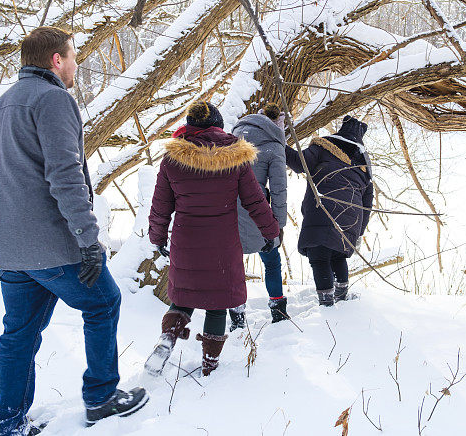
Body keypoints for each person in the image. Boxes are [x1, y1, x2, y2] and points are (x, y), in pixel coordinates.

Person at [0, 27, 147, 436]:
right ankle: (102, 397)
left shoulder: (4, 103)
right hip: (49, 243)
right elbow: (65, 175)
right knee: (104, 301)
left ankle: (8, 423)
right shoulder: (53, 98)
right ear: (57, 59)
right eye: (73, 56)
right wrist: (88, 239)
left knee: (19, 334)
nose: (76, 65)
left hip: (7, 242)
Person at [145, 101, 279, 377]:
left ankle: (166, 339)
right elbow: (255, 201)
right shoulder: (236, 157)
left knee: (183, 297)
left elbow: (160, 205)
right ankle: (210, 364)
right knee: (218, 303)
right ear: (218, 126)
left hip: (186, 242)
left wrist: (157, 238)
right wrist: (271, 232)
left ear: (190, 126)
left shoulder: (172, 159)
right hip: (223, 245)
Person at [285, 115, 373, 306]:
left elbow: (300, 164)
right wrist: (359, 232)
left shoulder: (324, 146)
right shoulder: (364, 164)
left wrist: (279, 144)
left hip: (324, 209)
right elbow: (368, 203)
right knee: (338, 255)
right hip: (352, 219)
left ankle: (327, 304)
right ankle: (341, 299)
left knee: (320, 256)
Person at [229, 103, 290, 328]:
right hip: (259, 212)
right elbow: (279, 190)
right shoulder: (274, 147)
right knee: (272, 262)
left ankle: (236, 317)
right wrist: (279, 224)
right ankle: (278, 311)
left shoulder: (233, 139)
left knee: (234, 264)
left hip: (228, 212)